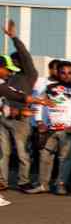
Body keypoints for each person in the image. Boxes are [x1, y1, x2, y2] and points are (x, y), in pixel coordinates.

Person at [25, 61, 71, 195]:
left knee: (64, 158)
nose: (67, 75)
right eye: (63, 73)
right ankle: (43, 184)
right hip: (50, 129)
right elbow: (38, 104)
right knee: (45, 155)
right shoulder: (50, 87)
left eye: (70, 73)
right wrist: (39, 122)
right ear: (57, 72)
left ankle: (61, 185)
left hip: (69, 130)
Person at [0, 19, 39, 193]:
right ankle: (2, 181)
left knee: (23, 153)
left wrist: (14, 38)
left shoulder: (30, 74)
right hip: (4, 117)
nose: (14, 64)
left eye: (16, 61)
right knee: (3, 152)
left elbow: (25, 55)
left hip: (21, 119)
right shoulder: (9, 76)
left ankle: (23, 182)